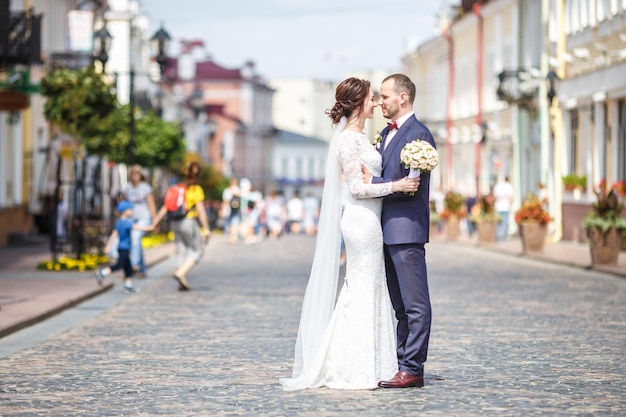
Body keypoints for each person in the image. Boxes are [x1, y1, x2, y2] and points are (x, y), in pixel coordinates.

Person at [280, 77, 419, 391]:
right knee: (361, 288)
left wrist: (381, 179)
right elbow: (357, 188)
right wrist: (396, 185)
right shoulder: (348, 140)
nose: (376, 104)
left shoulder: (362, 137)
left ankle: (374, 361)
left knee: (368, 287)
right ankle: (353, 364)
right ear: (358, 104)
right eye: (371, 99)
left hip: (371, 219)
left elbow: (368, 180)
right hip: (361, 222)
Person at [369, 73, 437, 389]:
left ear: (403, 98)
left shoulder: (418, 135)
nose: (380, 102)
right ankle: (402, 365)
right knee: (400, 307)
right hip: (385, 230)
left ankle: (413, 368)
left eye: (384, 96)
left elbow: (410, 187)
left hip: (406, 231)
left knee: (415, 304)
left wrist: (370, 185)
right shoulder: (386, 133)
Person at [152, 162, 211, 291]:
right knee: (198, 250)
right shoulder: (196, 189)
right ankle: (180, 273)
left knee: (181, 250)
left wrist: (155, 221)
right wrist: (206, 228)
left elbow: (166, 207)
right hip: (188, 222)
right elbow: (200, 210)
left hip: (175, 223)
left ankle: (181, 281)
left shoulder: (178, 188)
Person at [95, 200, 154, 293]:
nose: (132, 211)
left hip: (121, 247)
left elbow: (114, 235)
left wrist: (108, 245)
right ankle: (103, 273)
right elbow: (138, 227)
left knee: (128, 267)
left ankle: (128, 286)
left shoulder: (119, 222)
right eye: (130, 209)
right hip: (124, 248)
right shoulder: (126, 223)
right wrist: (150, 228)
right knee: (120, 265)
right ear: (125, 211)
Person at [122, 165, 157, 278]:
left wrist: (155, 222)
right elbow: (122, 205)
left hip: (144, 217)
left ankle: (133, 264)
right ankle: (143, 269)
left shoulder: (145, 188)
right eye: (132, 174)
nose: (134, 176)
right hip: (131, 218)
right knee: (136, 241)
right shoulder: (127, 188)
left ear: (141, 176)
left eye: (137, 174)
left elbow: (151, 205)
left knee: (136, 236)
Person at [493, 176, 514, 241]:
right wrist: (510, 207)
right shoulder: (509, 186)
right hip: (505, 207)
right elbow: (510, 198)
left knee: (498, 222)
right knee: (505, 222)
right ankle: (503, 237)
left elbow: (495, 197)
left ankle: (496, 236)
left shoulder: (497, 186)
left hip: (498, 207)